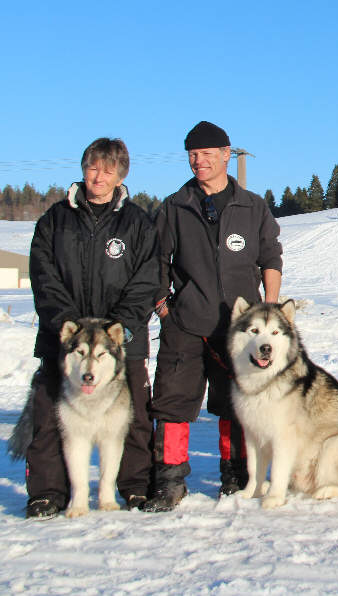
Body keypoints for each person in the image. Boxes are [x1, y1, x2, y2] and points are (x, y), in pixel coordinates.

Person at [143, 121, 283, 512]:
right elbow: (155, 260)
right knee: (172, 404)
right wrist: (162, 305)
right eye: (192, 154)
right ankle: (169, 481)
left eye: (206, 154)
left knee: (236, 404)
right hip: (185, 325)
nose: (198, 161)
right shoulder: (175, 206)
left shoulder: (252, 206)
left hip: (238, 329)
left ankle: (235, 476)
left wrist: (268, 309)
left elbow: (270, 256)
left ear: (226, 154)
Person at [25, 137, 158, 518]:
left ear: (121, 176)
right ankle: (48, 492)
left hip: (121, 342)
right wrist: (69, 326)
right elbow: (43, 275)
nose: (99, 176)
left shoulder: (137, 222)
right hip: (64, 341)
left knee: (132, 422)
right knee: (49, 418)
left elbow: (146, 279)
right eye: (93, 167)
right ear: (83, 169)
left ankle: (134, 487)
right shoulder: (55, 219)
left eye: (108, 170)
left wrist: (120, 327)